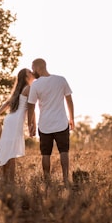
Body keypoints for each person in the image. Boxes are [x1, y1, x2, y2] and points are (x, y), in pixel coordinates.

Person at [27, 58, 74, 186]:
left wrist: (30, 124)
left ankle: (47, 181)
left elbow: (30, 106)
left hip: (45, 125)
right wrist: (72, 118)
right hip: (61, 123)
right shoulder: (60, 80)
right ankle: (65, 180)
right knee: (64, 151)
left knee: (45, 154)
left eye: (33, 68)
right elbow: (69, 100)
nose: (32, 71)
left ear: (38, 67)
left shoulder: (36, 85)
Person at [0, 68, 36, 183]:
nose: (32, 73)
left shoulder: (18, 90)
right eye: (30, 72)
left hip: (9, 119)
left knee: (7, 150)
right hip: (16, 121)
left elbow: (7, 103)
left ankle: (5, 179)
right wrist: (33, 125)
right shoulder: (29, 88)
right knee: (12, 152)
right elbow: (31, 108)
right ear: (25, 76)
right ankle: (11, 181)